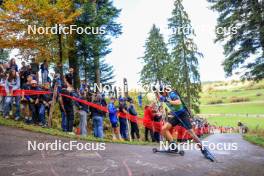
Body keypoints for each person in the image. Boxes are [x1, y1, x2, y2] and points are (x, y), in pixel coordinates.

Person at [158, 87, 212, 158]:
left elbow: (178, 102)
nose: (162, 94)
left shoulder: (172, 94)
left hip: (183, 114)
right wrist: (156, 93)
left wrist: (167, 100)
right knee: (164, 128)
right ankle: (173, 146)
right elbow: (159, 99)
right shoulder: (164, 96)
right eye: (160, 93)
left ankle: (204, 150)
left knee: (191, 133)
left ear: (165, 91)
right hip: (176, 115)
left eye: (162, 93)